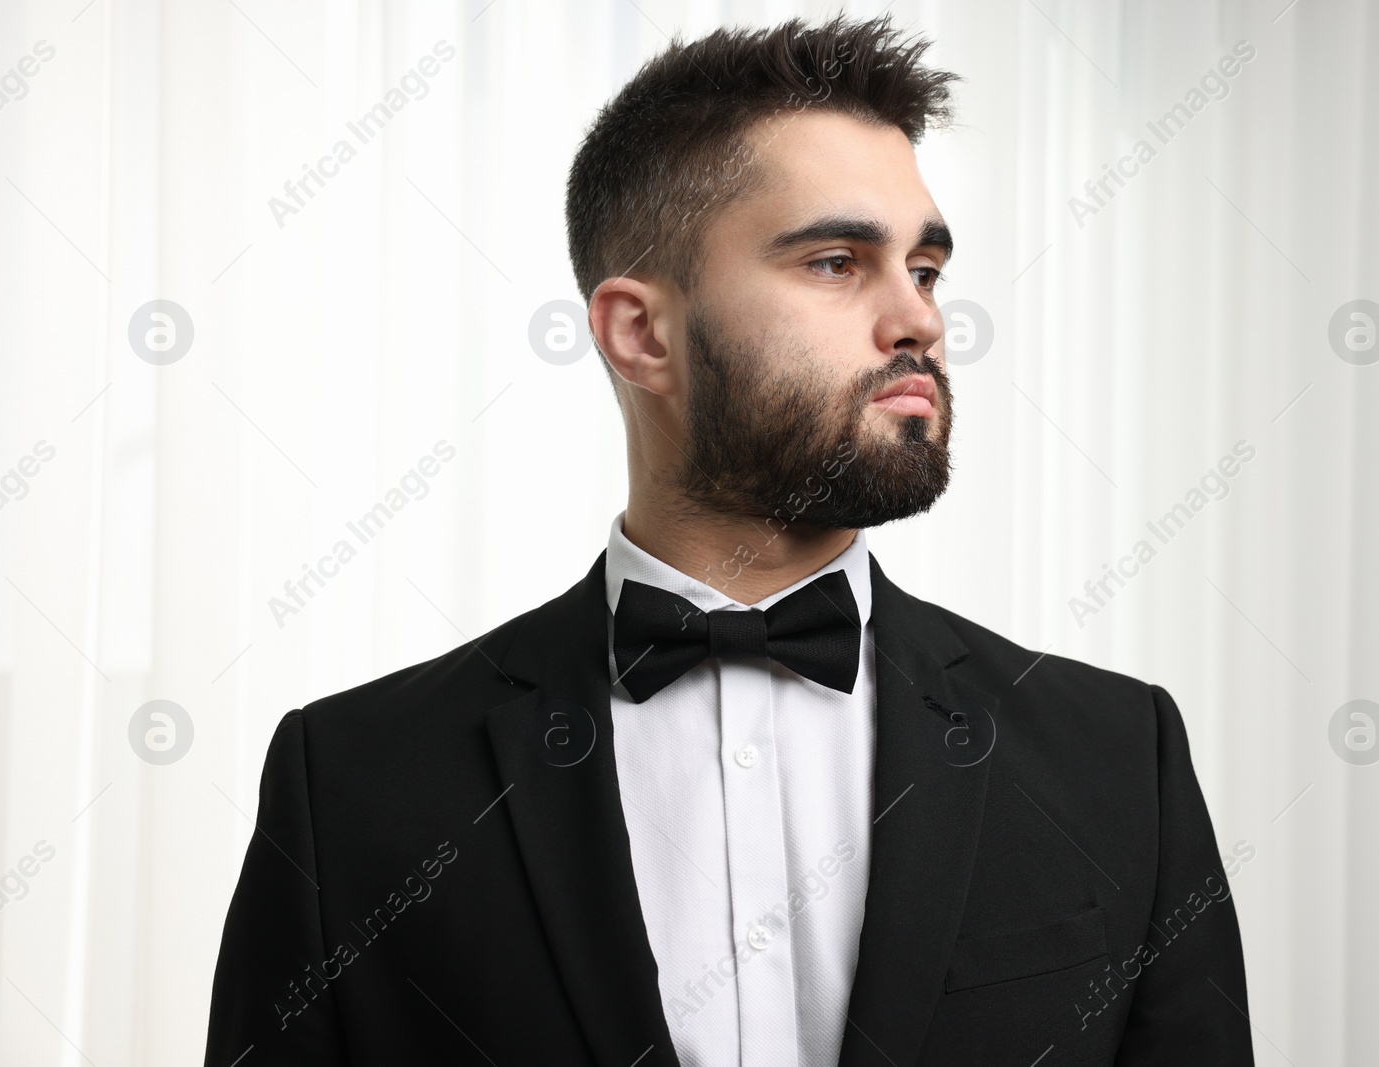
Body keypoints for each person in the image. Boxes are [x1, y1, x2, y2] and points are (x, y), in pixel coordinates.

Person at [205, 15, 1253, 1066]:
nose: (920, 321)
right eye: (838, 262)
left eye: (925, 269)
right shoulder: (354, 783)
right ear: (641, 332)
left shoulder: (1119, 761)